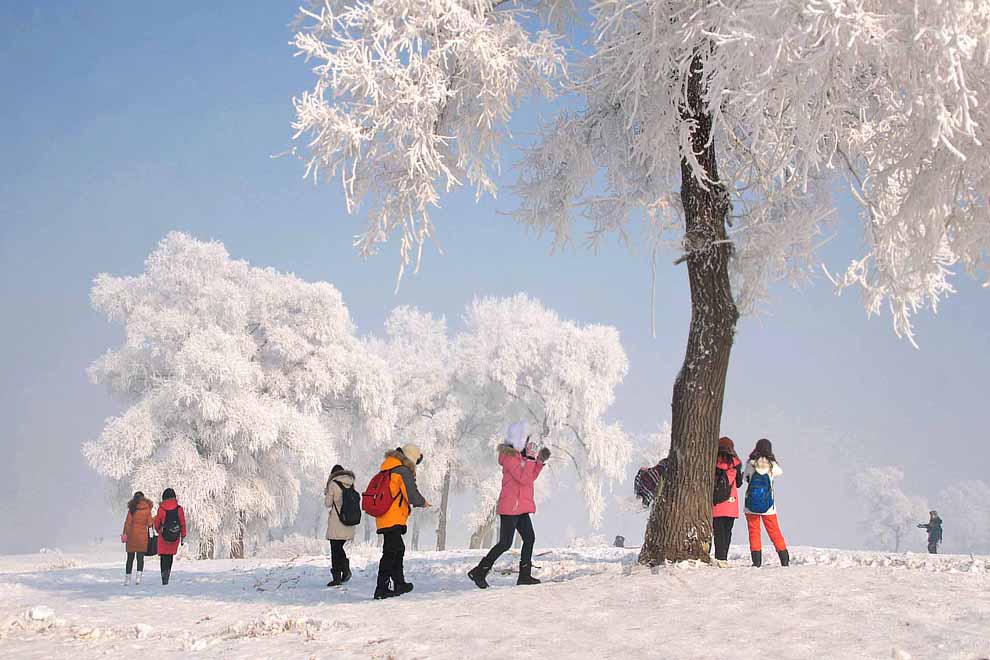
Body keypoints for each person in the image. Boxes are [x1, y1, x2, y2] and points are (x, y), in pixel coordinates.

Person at [468, 421, 551, 589]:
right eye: (525, 439)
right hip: (511, 507)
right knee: (505, 543)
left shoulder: (521, 457)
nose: (528, 443)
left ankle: (525, 575)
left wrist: (539, 462)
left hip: (520, 507)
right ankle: (479, 571)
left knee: (529, 538)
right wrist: (529, 458)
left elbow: (530, 478)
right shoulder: (509, 457)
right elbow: (523, 478)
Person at [373, 444, 430, 600]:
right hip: (393, 516)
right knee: (391, 552)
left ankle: (399, 583)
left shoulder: (389, 467)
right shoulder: (401, 470)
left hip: (385, 515)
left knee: (396, 549)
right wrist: (423, 502)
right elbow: (411, 494)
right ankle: (381, 588)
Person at [743, 438, 789, 567]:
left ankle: (756, 561)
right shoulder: (772, 465)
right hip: (768, 506)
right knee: (774, 531)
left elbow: (745, 478)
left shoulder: (751, 464)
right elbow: (780, 472)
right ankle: (784, 559)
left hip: (751, 506)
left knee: (754, 532)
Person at [712, 437, 744, 566]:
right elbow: (739, 484)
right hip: (731, 504)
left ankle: (719, 558)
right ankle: (723, 558)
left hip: (717, 505)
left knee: (718, 532)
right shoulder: (735, 464)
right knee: (727, 532)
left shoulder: (713, 462)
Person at [325, 464, 357, 587]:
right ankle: (345, 569)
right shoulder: (351, 483)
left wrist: (327, 493)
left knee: (335, 548)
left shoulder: (333, 484)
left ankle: (337, 576)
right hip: (349, 522)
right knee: (339, 548)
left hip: (337, 522)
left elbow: (328, 503)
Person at [153, 488, 187, 585]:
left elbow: (157, 523)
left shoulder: (161, 509)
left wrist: (158, 530)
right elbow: (182, 523)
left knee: (164, 557)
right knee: (170, 556)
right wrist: (183, 535)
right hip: (174, 536)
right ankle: (168, 573)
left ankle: (164, 577)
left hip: (163, 536)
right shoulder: (179, 509)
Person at [121, 491, 154, 585]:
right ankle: (138, 578)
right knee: (140, 559)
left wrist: (124, 534)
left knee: (130, 559)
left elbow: (127, 523)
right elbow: (150, 523)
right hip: (142, 537)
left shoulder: (132, 509)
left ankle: (127, 579)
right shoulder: (147, 509)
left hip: (132, 536)